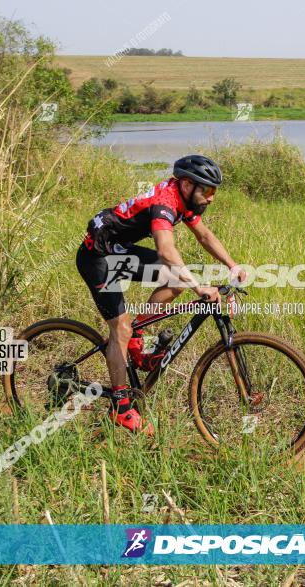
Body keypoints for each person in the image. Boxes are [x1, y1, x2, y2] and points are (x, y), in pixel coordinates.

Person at [76, 154, 247, 434]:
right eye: (208, 190)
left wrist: (232, 264)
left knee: (175, 281)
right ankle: (121, 408)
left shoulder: (184, 199)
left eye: (214, 191)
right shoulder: (165, 203)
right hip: (96, 257)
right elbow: (166, 250)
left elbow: (204, 236)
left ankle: (136, 343)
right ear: (188, 184)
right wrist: (199, 287)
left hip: (118, 250)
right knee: (121, 328)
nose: (212, 198)